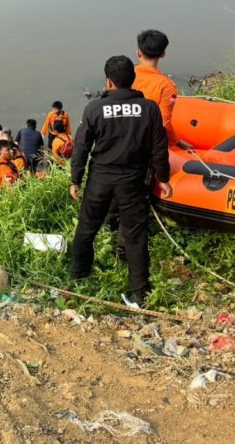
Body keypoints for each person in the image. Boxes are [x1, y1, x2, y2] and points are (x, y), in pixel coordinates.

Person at [69, 56, 172, 306]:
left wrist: (76, 179)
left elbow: (81, 147)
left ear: (108, 81)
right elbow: (159, 147)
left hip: (100, 180)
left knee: (85, 230)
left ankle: (79, 278)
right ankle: (140, 293)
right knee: (136, 236)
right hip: (133, 181)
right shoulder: (149, 109)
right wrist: (164, 178)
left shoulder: (94, 108)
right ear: (132, 79)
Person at [132, 29, 188, 148]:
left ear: (138, 52)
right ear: (163, 54)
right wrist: (177, 142)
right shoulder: (167, 86)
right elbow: (164, 123)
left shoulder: (126, 74)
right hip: (147, 142)